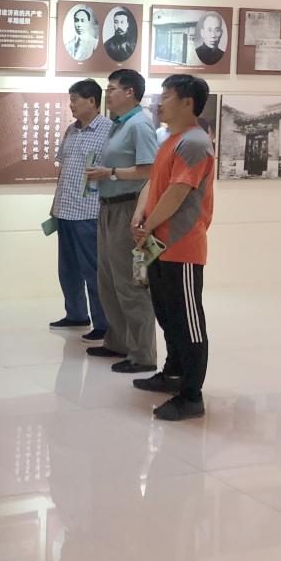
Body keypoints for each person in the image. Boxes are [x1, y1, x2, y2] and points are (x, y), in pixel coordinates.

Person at [131, 74, 214, 421]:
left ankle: (191, 395)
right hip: (157, 244)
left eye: (166, 96)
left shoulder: (195, 142)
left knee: (187, 321)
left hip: (181, 245)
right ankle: (173, 373)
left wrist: (147, 225)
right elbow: (155, 185)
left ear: (187, 103)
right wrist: (140, 217)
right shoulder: (169, 139)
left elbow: (177, 193)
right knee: (167, 315)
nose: (159, 102)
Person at [85, 70, 158, 371]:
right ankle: (117, 341)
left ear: (129, 92)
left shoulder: (140, 125)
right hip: (107, 208)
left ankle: (142, 355)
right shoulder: (118, 124)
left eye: (112, 88)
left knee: (131, 283)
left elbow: (150, 170)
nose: (108, 94)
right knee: (108, 281)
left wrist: (111, 173)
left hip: (128, 209)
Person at [50, 80, 112, 337]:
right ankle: (76, 314)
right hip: (65, 210)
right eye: (70, 99)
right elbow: (64, 169)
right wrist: (54, 204)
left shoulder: (109, 130)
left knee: (93, 270)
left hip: (89, 212)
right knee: (68, 269)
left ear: (92, 101)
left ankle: (103, 324)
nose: (71, 105)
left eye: (75, 99)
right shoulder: (71, 130)